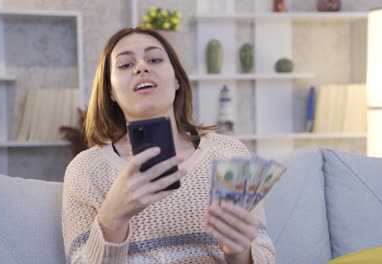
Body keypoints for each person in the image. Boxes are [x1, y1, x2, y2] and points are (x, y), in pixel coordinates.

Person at [62, 27, 276, 263]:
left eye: (154, 59)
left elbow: (265, 255)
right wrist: (112, 219)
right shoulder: (84, 170)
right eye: (124, 65)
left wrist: (239, 252)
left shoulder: (230, 153)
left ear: (176, 79)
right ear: (110, 91)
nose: (141, 67)